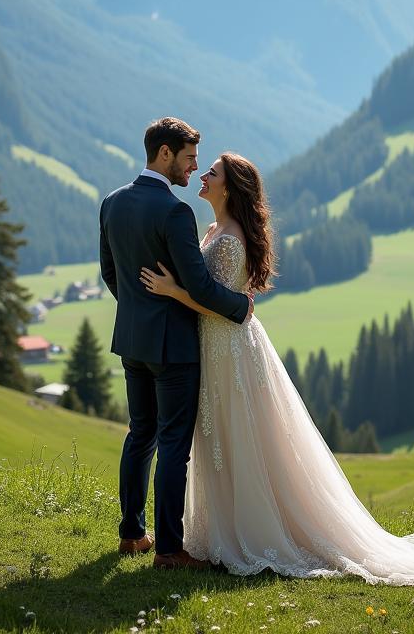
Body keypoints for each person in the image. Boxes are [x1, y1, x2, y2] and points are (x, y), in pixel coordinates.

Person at [140, 152, 414, 585]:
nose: (203, 175)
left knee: (237, 436)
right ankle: (223, 530)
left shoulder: (226, 239)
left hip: (228, 347)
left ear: (230, 187)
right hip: (223, 345)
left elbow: (215, 303)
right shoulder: (216, 231)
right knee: (225, 436)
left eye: (213, 172)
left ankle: (247, 534)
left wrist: (171, 290)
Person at [99, 117, 254, 571]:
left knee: (139, 433)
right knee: (172, 445)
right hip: (175, 350)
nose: (192, 170)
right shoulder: (174, 212)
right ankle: (168, 549)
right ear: (164, 153)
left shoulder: (112, 202)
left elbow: (112, 274)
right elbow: (201, 286)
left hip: (132, 340)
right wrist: (241, 307)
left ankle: (132, 535)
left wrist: (138, 311)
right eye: (188, 160)